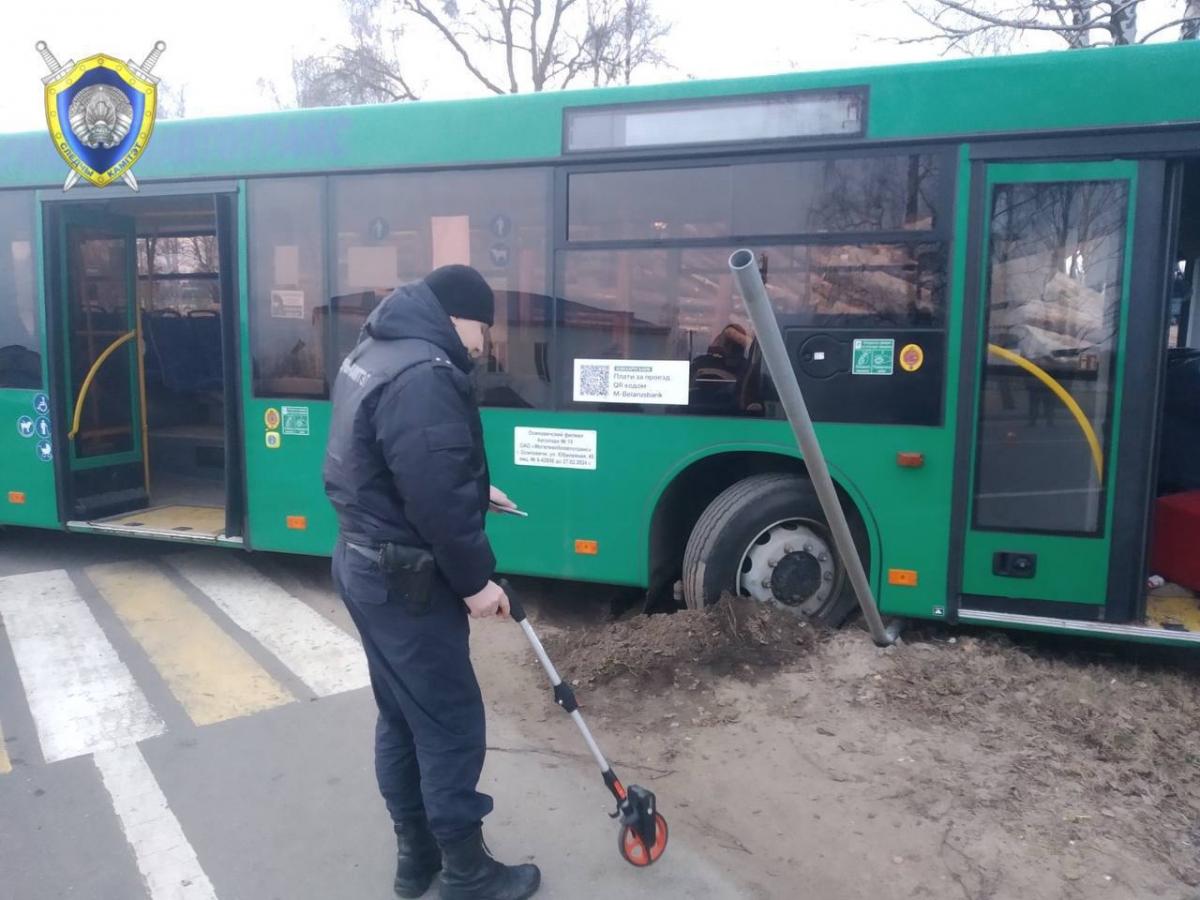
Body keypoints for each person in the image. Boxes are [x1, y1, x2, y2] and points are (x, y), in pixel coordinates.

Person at [323, 264, 540, 900]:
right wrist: (477, 585)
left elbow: (392, 464)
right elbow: (435, 496)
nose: (483, 344)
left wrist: (477, 490)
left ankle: (416, 861)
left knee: (401, 716)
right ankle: (468, 875)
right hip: (404, 580)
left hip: (363, 560)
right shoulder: (425, 373)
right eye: (483, 329)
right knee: (448, 723)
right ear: (460, 316)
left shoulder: (376, 350)